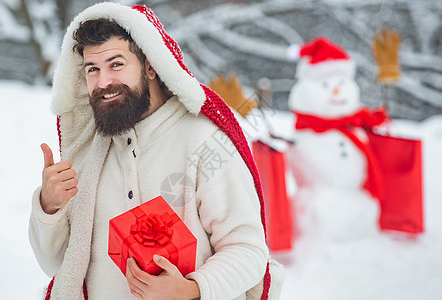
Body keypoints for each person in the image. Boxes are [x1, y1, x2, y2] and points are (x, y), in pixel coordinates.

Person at [28, 3, 282, 300]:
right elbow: (56, 265)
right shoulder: (87, 153)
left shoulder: (204, 140)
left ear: (150, 65)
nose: (103, 82)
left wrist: (192, 288)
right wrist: (49, 207)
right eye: (92, 69)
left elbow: (248, 250)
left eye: (116, 64)